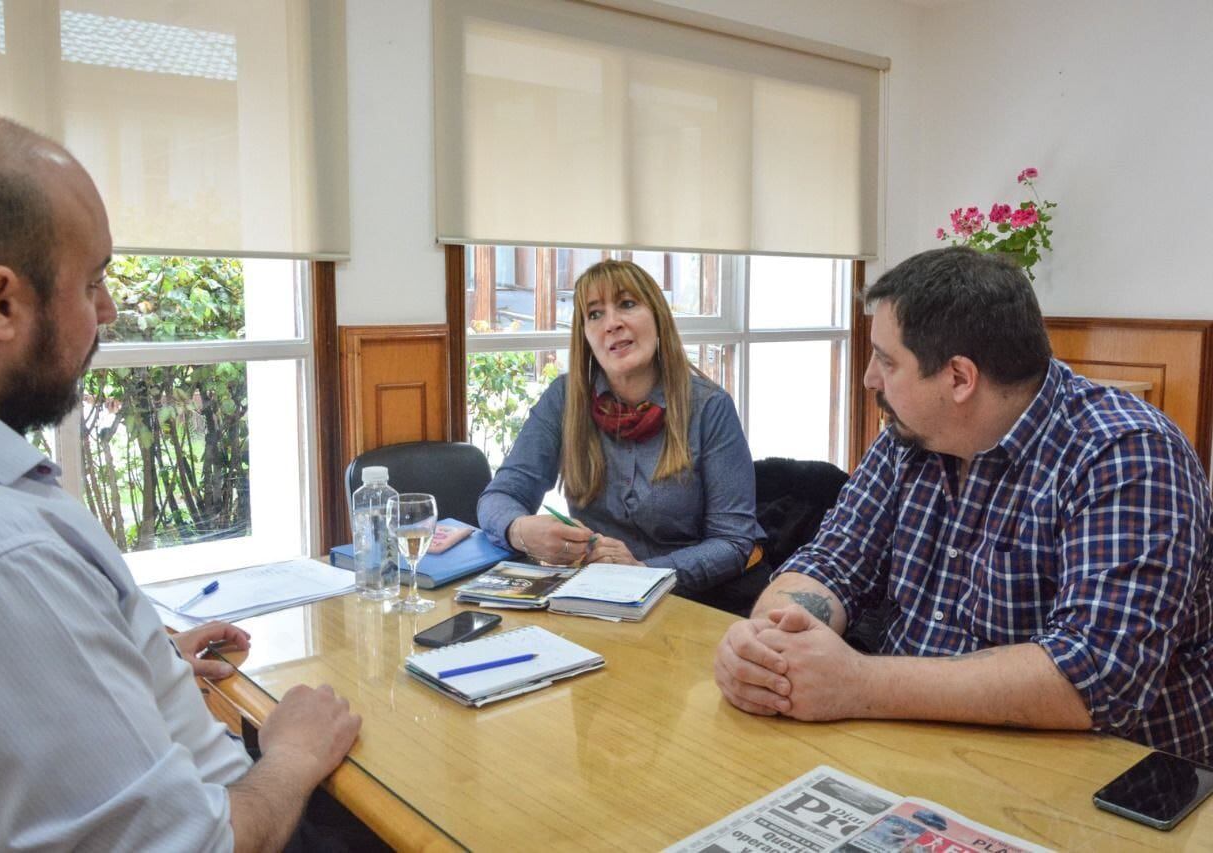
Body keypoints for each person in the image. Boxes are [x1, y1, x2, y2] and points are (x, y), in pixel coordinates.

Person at [0, 107, 363, 850]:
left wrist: (134, 658)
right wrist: (290, 752)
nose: (107, 309)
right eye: (93, 280)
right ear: (0, 303)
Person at [714, 246, 1213, 762]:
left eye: (887, 361)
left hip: (1097, 780)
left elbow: (1096, 674)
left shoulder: (1127, 452)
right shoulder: (912, 437)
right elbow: (833, 562)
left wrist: (861, 683)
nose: (869, 380)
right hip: (921, 748)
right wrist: (768, 647)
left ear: (959, 378)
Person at [477, 260, 762, 595]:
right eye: (595, 314)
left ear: (658, 317)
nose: (611, 324)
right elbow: (500, 495)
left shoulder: (710, 407)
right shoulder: (565, 398)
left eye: (627, 304)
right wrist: (521, 530)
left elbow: (733, 542)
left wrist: (643, 572)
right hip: (593, 597)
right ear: (585, 336)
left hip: (687, 600)